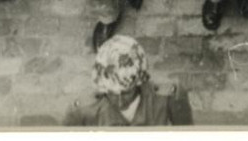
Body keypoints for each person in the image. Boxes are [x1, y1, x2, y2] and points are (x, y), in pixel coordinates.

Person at [64, 34, 193, 125]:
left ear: (139, 83)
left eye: (127, 93)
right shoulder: (81, 110)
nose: (120, 102)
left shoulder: (168, 97)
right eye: (112, 93)